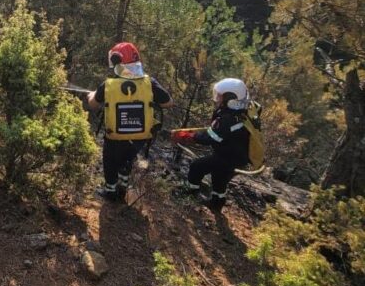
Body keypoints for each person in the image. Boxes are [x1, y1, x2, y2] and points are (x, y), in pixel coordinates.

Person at [87, 42, 172, 202]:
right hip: (139, 136)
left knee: (110, 161)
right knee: (127, 159)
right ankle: (123, 186)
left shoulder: (108, 85)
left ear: (116, 62)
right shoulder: (149, 83)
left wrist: (91, 94)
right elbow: (168, 102)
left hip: (115, 136)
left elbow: (93, 104)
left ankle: (110, 190)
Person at [171, 77, 251, 211]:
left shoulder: (227, 119)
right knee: (219, 177)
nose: (217, 99)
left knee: (197, 166)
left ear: (230, 99)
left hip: (228, 156)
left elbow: (211, 138)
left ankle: (190, 192)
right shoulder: (240, 113)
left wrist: (191, 136)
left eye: (221, 97)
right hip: (237, 156)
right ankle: (217, 203)